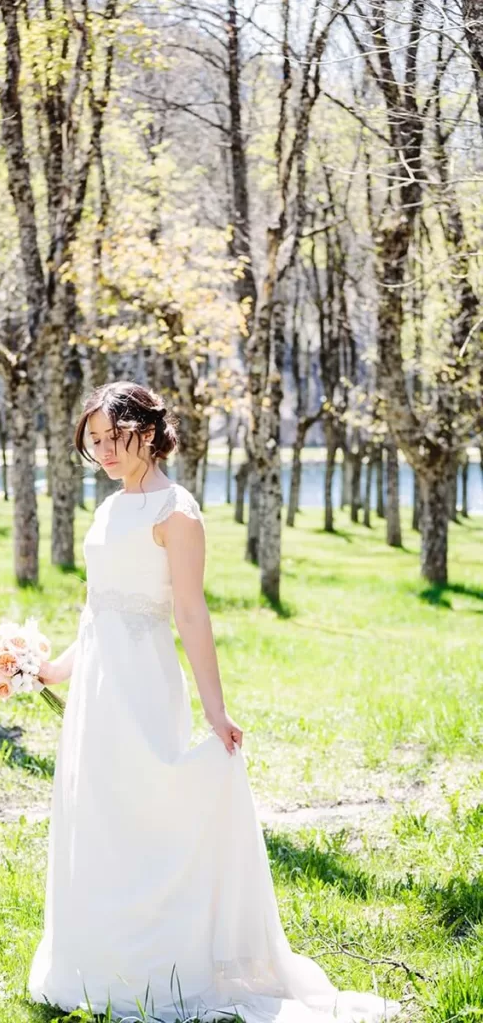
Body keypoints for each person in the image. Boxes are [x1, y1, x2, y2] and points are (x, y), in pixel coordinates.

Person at [29, 381, 400, 1023]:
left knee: (149, 804)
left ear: (145, 431)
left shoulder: (178, 511)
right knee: (97, 810)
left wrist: (215, 710)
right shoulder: (108, 510)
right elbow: (94, 608)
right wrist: (49, 670)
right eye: (93, 442)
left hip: (143, 678)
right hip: (96, 684)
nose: (103, 451)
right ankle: (97, 959)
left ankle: (163, 959)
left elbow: (191, 613)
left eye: (112, 438)